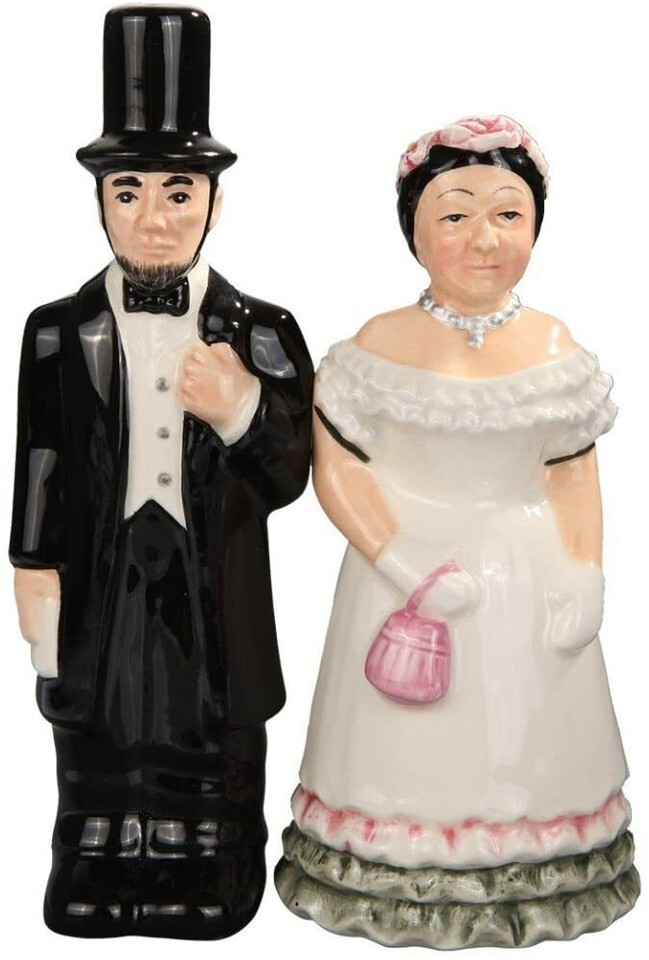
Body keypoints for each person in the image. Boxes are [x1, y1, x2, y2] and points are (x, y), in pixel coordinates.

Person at [275, 116, 638, 948]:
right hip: (402, 579)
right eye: (455, 213)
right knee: (402, 746)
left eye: (508, 213)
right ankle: (385, 871)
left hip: (523, 571)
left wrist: (584, 570)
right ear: (413, 228)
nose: (484, 238)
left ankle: (535, 868)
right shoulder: (377, 347)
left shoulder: (551, 347)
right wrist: (399, 559)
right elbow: (339, 470)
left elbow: (569, 469)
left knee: (529, 731)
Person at [10, 7, 313, 940]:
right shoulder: (56, 333)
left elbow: (291, 472)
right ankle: (95, 852)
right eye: (129, 192)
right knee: (100, 716)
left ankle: (208, 855)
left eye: (177, 193)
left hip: (208, 570)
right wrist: (32, 567)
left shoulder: (262, 332)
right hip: (102, 570)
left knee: (202, 721)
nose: (152, 219)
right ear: (100, 201)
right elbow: (41, 460)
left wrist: (240, 410)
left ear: (215, 202)